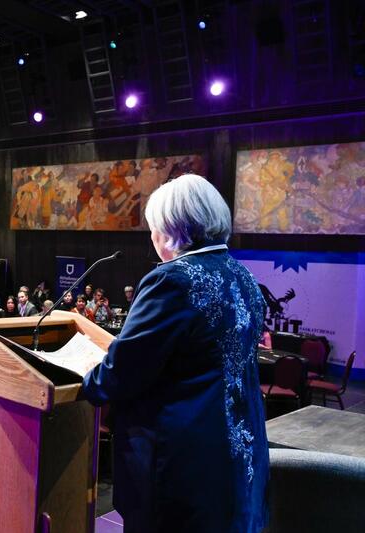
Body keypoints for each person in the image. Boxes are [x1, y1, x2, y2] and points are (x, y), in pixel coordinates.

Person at [82, 174, 268, 533]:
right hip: (237, 455)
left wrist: (90, 377)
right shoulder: (242, 276)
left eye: (153, 227)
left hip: (181, 464)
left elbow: (122, 371)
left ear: (168, 229)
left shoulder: (171, 280)